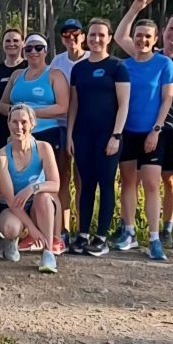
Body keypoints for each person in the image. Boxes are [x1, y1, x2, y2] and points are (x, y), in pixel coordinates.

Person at [115, 0, 173, 246]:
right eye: (171, 28)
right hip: (138, 127)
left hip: (171, 128)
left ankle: (167, 228)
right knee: (133, 179)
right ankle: (128, 226)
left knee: (170, 179)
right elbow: (120, 37)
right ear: (163, 32)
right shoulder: (147, 53)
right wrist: (135, 8)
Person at [0, 33, 69, 253]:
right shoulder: (17, 75)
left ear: (46, 51)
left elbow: (63, 106)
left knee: (47, 188)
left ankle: (55, 237)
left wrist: (30, 114)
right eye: (29, 48)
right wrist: (17, 117)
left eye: (38, 48)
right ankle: (29, 233)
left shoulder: (54, 74)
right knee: (16, 185)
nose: (33, 52)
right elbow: (2, 104)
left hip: (46, 135)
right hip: (17, 136)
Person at [114, 19, 173, 260]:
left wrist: (156, 129)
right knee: (128, 183)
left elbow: (168, 99)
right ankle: (129, 232)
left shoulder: (164, 63)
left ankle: (154, 238)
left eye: (147, 37)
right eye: (138, 35)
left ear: (155, 39)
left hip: (152, 133)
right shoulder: (123, 65)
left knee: (152, 184)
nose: (142, 40)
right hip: (127, 131)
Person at [67, 18, 130, 256]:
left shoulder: (117, 66)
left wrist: (116, 135)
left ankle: (101, 238)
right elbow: (73, 104)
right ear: (85, 37)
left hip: (107, 135)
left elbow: (123, 105)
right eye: (92, 35)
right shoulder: (79, 68)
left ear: (109, 38)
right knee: (85, 185)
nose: (96, 39)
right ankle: (82, 234)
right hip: (83, 134)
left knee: (105, 185)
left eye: (101, 35)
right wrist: (71, 135)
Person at [0, 104, 60, 273]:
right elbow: (9, 199)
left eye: (24, 122)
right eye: (14, 122)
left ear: (32, 124)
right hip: (12, 207)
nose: (19, 127)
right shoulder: (1, 156)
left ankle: (48, 253)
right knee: (10, 228)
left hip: (36, 206)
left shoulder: (44, 148)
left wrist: (32, 188)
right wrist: (32, 229)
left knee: (43, 196)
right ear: (8, 124)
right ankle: (11, 241)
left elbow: (55, 184)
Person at [48, 19, 88, 244]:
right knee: (62, 178)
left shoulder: (91, 58)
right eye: (66, 35)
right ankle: (62, 228)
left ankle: (82, 230)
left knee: (81, 180)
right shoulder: (57, 61)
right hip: (60, 124)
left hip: (85, 125)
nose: (71, 39)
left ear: (82, 36)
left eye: (75, 34)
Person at [0, 28, 26, 156]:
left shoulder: (28, 68)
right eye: (7, 40)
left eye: (15, 40)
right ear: (2, 44)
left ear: (23, 43)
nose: (11, 44)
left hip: (22, 127)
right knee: (1, 168)